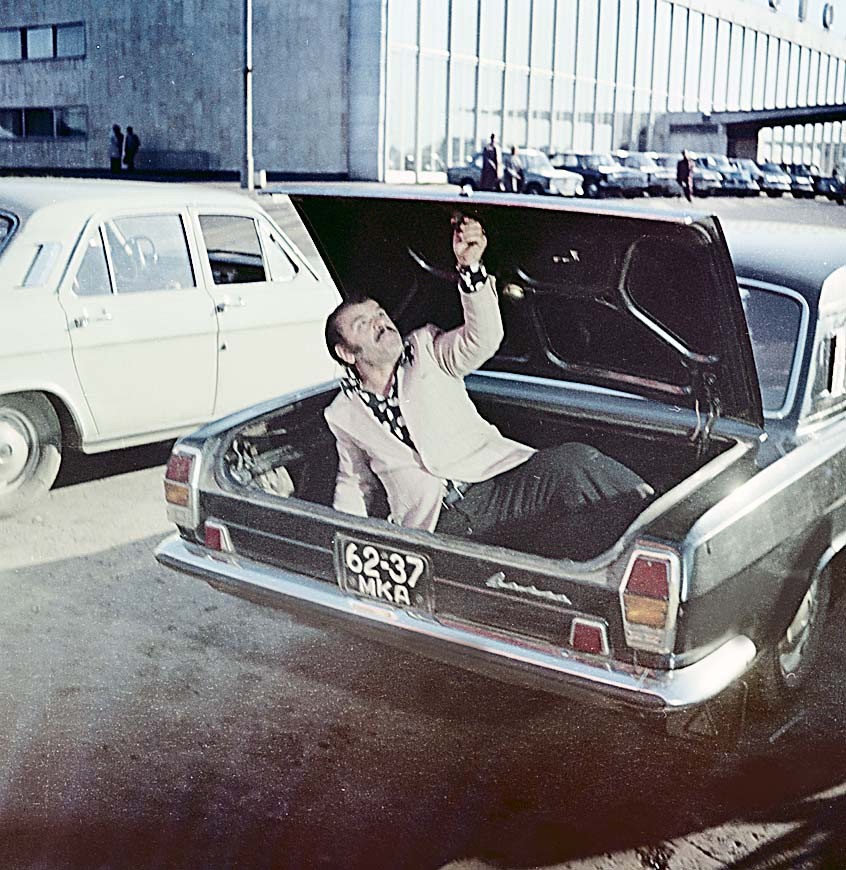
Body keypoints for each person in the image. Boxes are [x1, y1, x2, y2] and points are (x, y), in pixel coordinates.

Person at [322, 215, 653, 560]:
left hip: (494, 488)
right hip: (434, 527)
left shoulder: (425, 348)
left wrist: (470, 268)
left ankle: (660, 527)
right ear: (346, 353)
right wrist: (342, 543)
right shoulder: (342, 414)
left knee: (575, 463)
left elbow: (483, 338)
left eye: (379, 313)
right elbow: (355, 483)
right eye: (363, 323)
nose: (379, 322)